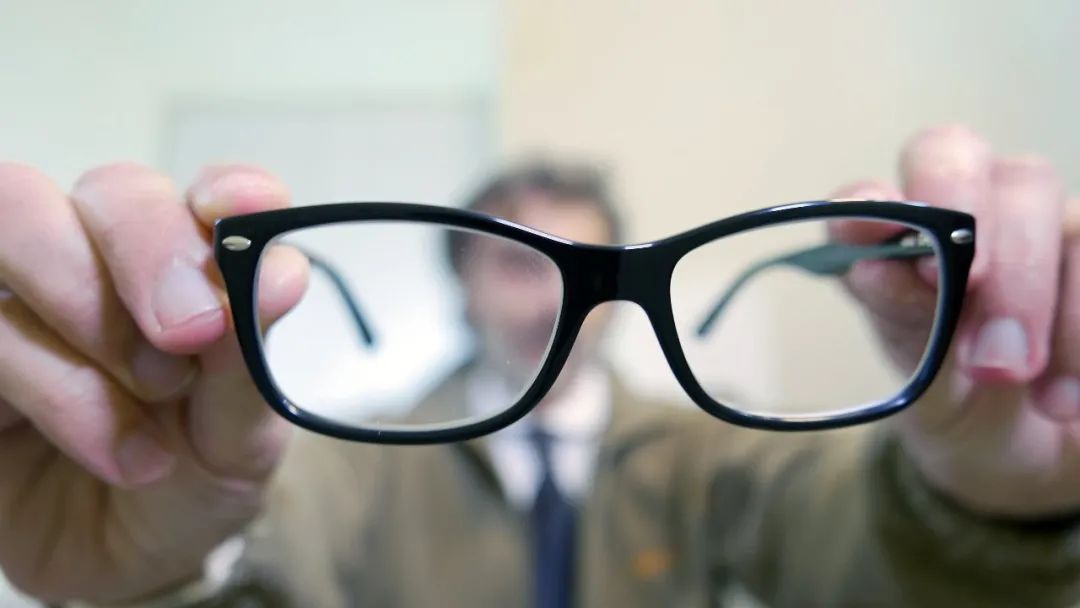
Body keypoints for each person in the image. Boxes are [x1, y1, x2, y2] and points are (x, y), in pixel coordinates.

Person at [0, 125, 1078, 608]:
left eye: (594, 268)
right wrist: (156, 573)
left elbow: (858, 562)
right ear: (460, 280)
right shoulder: (349, 461)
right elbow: (269, 572)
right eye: (519, 264)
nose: (556, 299)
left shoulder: (711, 450)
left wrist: (985, 508)